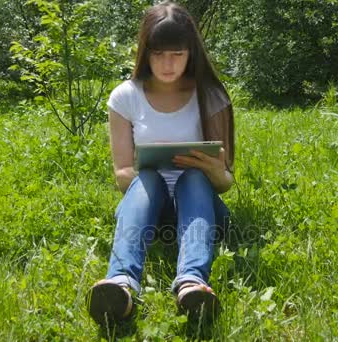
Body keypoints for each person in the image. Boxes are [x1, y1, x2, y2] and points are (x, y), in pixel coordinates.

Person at [87, 1, 235, 325]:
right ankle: (121, 286)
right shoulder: (125, 96)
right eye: (158, 54)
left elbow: (225, 182)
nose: (167, 64)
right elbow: (123, 174)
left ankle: (192, 284)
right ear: (145, 51)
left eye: (177, 54)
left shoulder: (210, 96)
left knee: (192, 179)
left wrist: (213, 171)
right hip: (149, 210)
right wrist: (146, 175)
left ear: (190, 52)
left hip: (201, 210)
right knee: (148, 178)